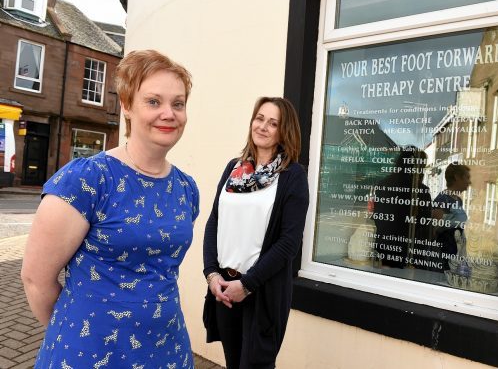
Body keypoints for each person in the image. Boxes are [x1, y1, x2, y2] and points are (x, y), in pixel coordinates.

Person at [21, 50, 199, 368]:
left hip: (167, 351)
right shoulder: (88, 179)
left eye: (178, 103)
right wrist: (74, 335)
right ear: (127, 106)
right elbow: (36, 278)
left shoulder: (186, 189)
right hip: (88, 355)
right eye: (154, 101)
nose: (169, 114)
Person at [202, 97, 309, 369]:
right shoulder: (234, 169)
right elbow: (215, 221)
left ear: (284, 132)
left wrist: (248, 285)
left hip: (261, 290)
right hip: (225, 287)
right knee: (233, 362)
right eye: (259, 118)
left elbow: (289, 243)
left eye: (273, 123)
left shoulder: (292, 176)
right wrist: (211, 274)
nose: (262, 126)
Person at [372, 146, 433, 269]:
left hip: (385, 245)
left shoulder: (382, 185)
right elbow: (425, 223)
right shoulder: (421, 191)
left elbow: (378, 217)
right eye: (422, 166)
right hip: (409, 249)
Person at [432, 163, 471, 271]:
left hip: (457, 250)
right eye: (467, 177)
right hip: (446, 252)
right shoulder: (442, 200)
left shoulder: (458, 200)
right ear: (457, 177)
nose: (469, 182)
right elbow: (434, 230)